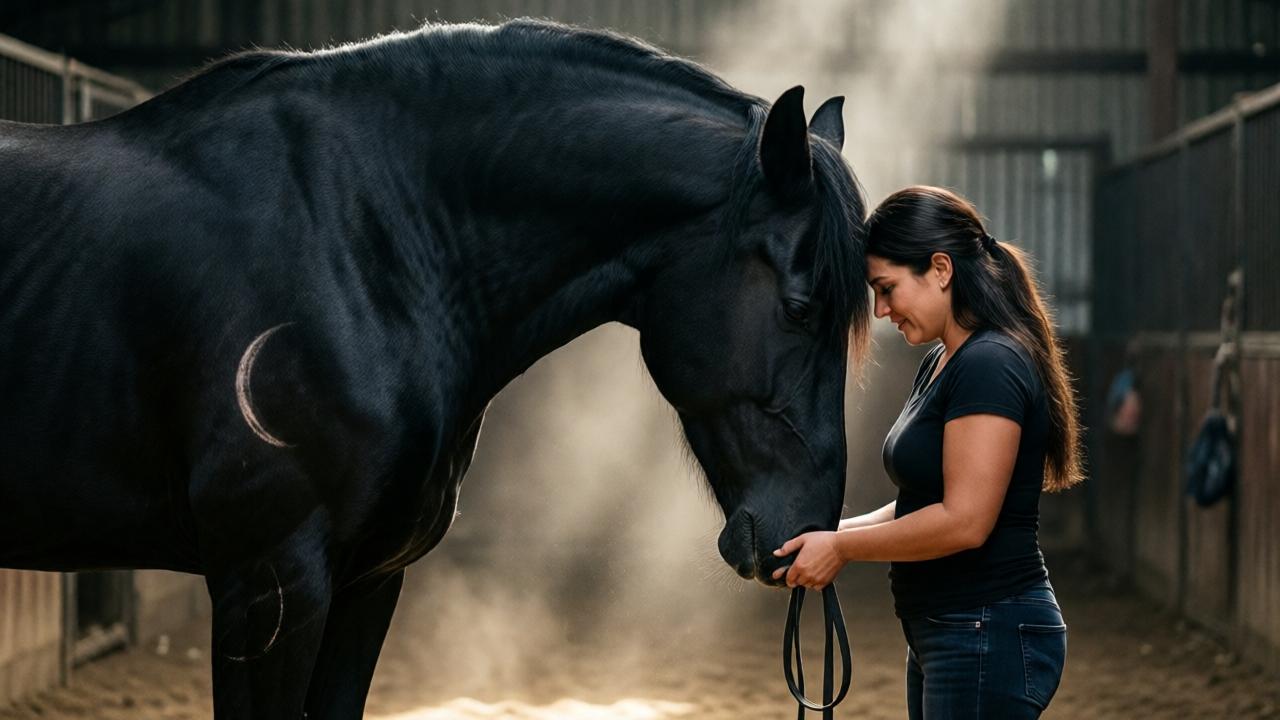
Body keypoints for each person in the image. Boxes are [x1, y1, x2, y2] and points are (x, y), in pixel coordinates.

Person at [772, 185, 1085, 718]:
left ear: (940, 269)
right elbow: (925, 503)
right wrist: (830, 534)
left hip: (986, 629)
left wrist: (843, 551)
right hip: (954, 631)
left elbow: (965, 521)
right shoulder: (945, 360)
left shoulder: (991, 363)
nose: (879, 309)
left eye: (887, 288)